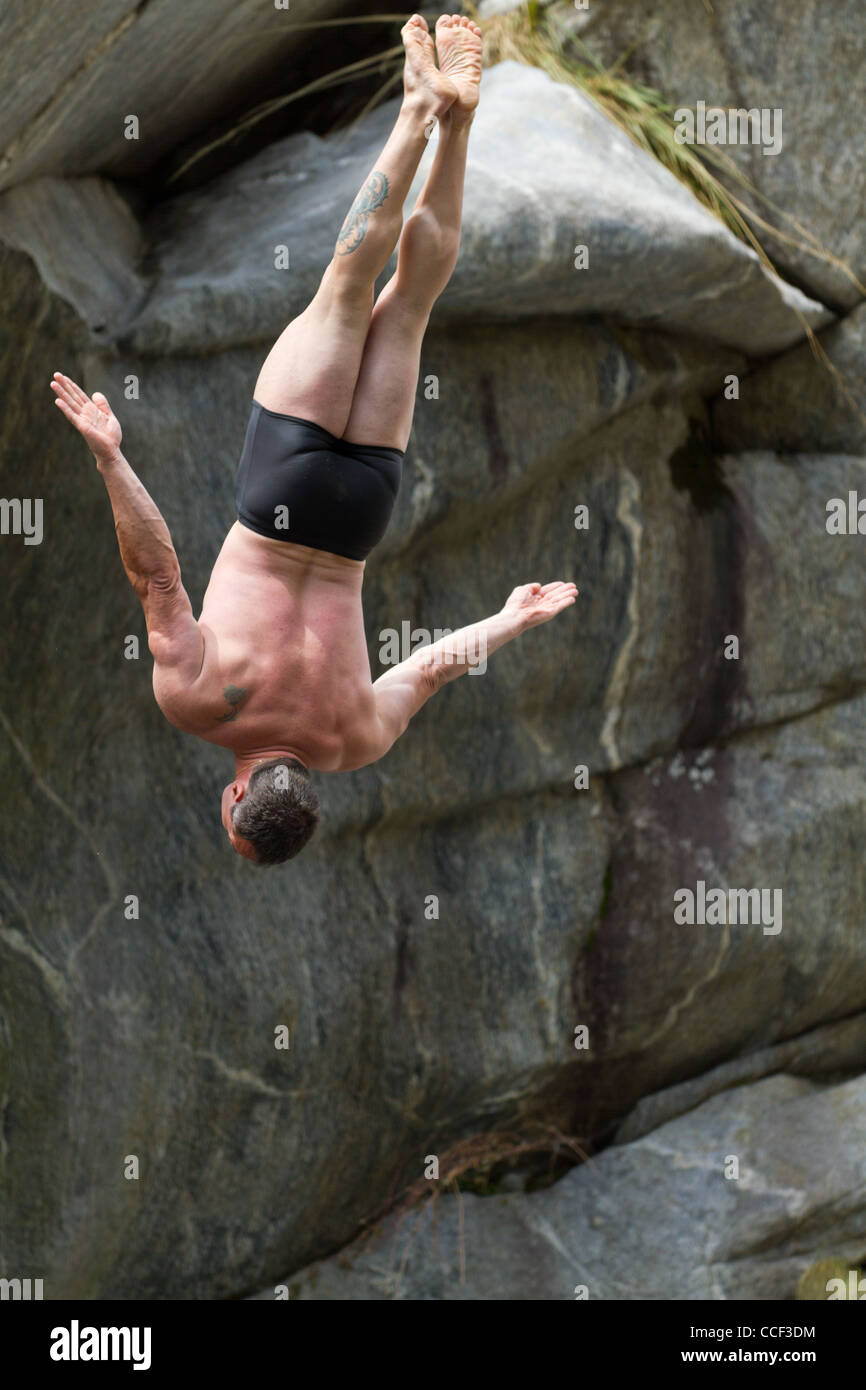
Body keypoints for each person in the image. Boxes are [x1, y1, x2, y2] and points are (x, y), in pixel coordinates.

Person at [51, 13, 577, 865]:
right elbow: (156, 576)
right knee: (346, 282)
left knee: (407, 305)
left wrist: (512, 621)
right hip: (279, 497)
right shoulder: (198, 703)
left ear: (309, 800)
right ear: (235, 798)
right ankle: (415, 108)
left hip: (359, 513)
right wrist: (111, 455)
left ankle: (457, 123)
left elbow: (438, 667)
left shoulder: (353, 741)